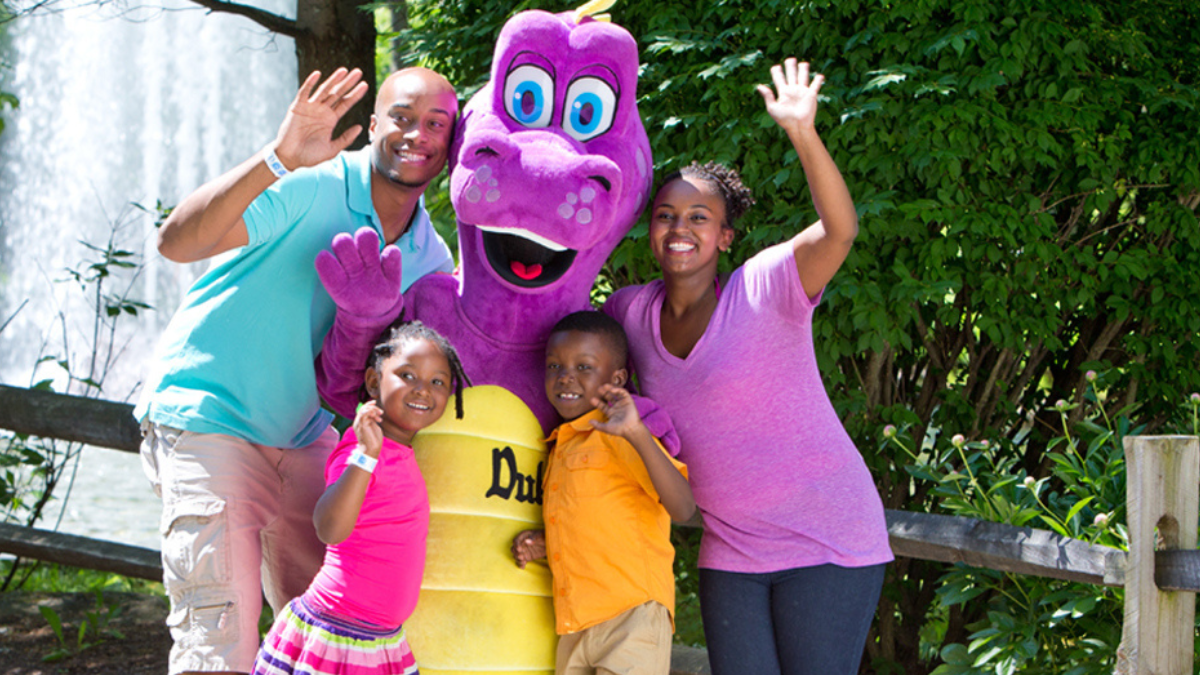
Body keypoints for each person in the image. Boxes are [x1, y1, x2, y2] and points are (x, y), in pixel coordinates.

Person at [135, 66, 459, 675]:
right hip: (209, 420)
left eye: (435, 124)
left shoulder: (431, 259)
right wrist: (278, 157)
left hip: (305, 437)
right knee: (219, 643)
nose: (417, 134)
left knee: (332, 636)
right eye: (403, 117)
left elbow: (389, 378)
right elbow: (175, 242)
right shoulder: (309, 182)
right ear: (372, 126)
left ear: (451, 142)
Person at [602, 58, 893, 675]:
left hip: (828, 538)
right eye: (666, 216)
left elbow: (840, 233)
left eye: (699, 218)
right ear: (650, 230)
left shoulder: (766, 288)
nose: (680, 228)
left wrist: (802, 132)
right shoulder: (628, 313)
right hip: (731, 548)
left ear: (725, 238)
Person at [252, 321, 468, 675]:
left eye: (437, 382)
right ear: (373, 382)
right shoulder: (360, 449)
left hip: (378, 639)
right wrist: (365, 456)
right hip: (338, 632)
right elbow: (329, 527)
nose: (423, 390)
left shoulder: (401, 452)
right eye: (407, 375)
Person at [510, 311, 695, 675]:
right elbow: (592, 522)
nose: (566, 377)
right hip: (575, 624)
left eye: (584, 367)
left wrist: (638, 435)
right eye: (554, 366)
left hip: (632, 616)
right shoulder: (559, 445)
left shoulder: (623, 434)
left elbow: (683, 507)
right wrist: (546, 542)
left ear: (617, 379)